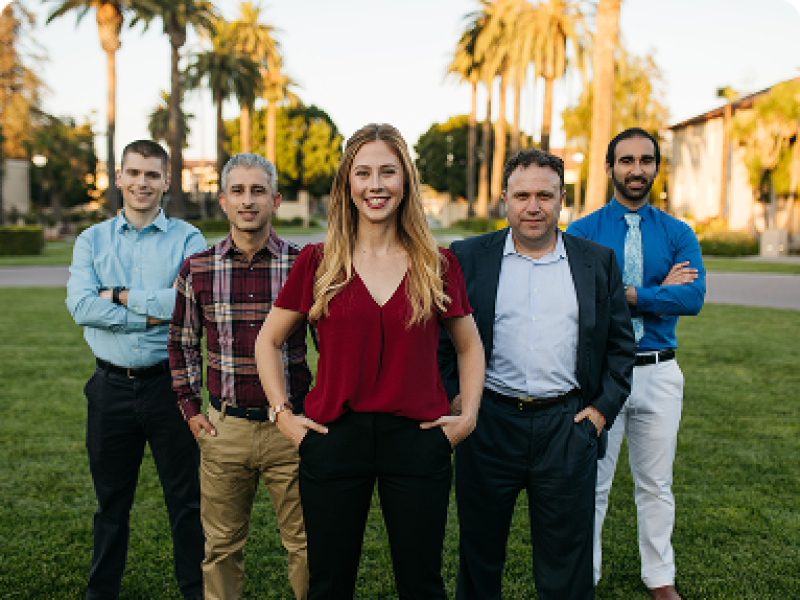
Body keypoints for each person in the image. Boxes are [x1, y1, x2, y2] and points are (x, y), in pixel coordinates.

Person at [254, 123, 485, 599]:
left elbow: (469, 345)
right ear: (347, 183)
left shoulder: (437, 263)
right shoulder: (318, 262)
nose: (375, 185)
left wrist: (467, 417)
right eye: (363, 173)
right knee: (329, 584)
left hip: (418, 439)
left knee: (421, 583)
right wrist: (283, 415)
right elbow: (268, 341)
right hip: (334, 436)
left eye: (387, 172)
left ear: (406, 181)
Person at [439, 148, 635, 600]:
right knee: (479, 555)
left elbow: (621, 346)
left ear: (561, 199)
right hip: (488, 424)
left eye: (544, 195)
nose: (533, 206)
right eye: (522, 195)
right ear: (504, 197)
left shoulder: (596, 261)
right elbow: (440, 342)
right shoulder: (467, 257)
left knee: (567, 565)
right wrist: (459, 403)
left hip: (567, 427)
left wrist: (601, 412)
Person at [568, 128, 705, 600]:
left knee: (656, 484)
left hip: (660, 371)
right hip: (602, 373)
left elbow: (693, 297)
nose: (637, 170)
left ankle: (660, 578)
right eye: (626, 161)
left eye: (646, 160)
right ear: (609, 169)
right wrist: (656, 292)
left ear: (656, 168)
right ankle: (583, 575)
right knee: (593, 484)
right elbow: (582, 301)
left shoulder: (678, 232)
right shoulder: (583, 232)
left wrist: (630, 294)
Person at [66, 139, 206, 600]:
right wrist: (151, 312)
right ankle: (100, 594)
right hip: (109, 389)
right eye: (134, 173)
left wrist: (119, 296)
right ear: (120, 178)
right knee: (111, 506)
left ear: (167, 181)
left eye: (152, 175)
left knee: (186, 505)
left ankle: (195, 593)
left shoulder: (188, 238)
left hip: (172, 388)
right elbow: (82, 306)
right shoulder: (92, 240)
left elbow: (187, 303)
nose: (142, 183)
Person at [168, 153, 311, 599]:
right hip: (223, 429)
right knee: (222, 546)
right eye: (238, 191)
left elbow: (331, 343)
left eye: (258, 191)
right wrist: (192, 410)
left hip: (290, 429)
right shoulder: (198, 268)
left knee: (307, 545)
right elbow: (182, 342)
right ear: (223, 202)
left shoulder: (303, 264)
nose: (248, 201)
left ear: (276, 200)